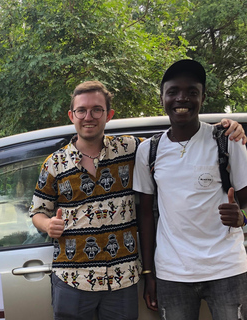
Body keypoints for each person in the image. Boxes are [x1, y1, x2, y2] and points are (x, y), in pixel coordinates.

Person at [29, 80, 246, 320]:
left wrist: (226, 128)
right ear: (72, 115)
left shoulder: (132, 148)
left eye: (97, 109)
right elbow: (37, 211)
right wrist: (47, 225)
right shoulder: (54, 163)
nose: (88, 116)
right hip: (73, 277)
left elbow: (179, 142)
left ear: (108, 115)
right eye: (81, 110)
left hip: (121, 279)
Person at [133, 59, 247, 320]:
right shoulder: (148, 151)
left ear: (202, 97)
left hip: (227, 268)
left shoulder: (228, 140)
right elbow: (147, 216)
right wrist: (149, 274)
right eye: (173, 91)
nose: (181, 98)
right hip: (172, 273)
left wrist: (242, 218)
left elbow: (245, 202)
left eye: (191, 92)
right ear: (162, 97)